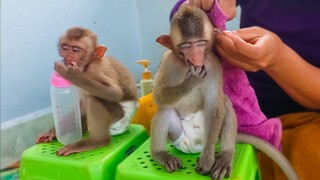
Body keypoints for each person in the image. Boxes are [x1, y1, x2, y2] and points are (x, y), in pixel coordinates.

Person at [175, 0, 320, 179]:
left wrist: (277, 59)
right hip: (233, 106)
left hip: (307, 117)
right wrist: (199, 7)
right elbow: (181, 15)